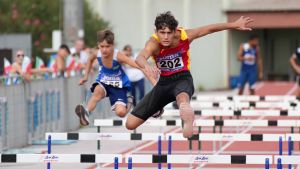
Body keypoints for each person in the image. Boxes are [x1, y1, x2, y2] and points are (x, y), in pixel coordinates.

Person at [125, 11, 253, 138]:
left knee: (183, 99)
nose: (165, 37)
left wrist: (234, 24)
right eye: (162, 33)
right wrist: (147, 65)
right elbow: (140, 57)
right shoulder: (153, 43)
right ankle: (159, 108)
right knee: (130, 124)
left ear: (175, 31)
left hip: (182, 78)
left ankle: (187, 115)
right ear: (156, 32)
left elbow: (209, 29)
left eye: (169, 33)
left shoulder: (185, 36)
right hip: (163, 84)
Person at [75, 29, 147, 126]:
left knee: (120, 113)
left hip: (118, 85)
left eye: (107, 47)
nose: (104, 50)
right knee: (97, 92)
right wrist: (85, 76)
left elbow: (133, 63)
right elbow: (90, 60)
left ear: (113, 45)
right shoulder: (97, 53)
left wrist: (146, 68)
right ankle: (86, 113)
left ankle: (129, 103)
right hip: (104, 81)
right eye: (102, 46)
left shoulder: (118, 55)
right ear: (98, 45)